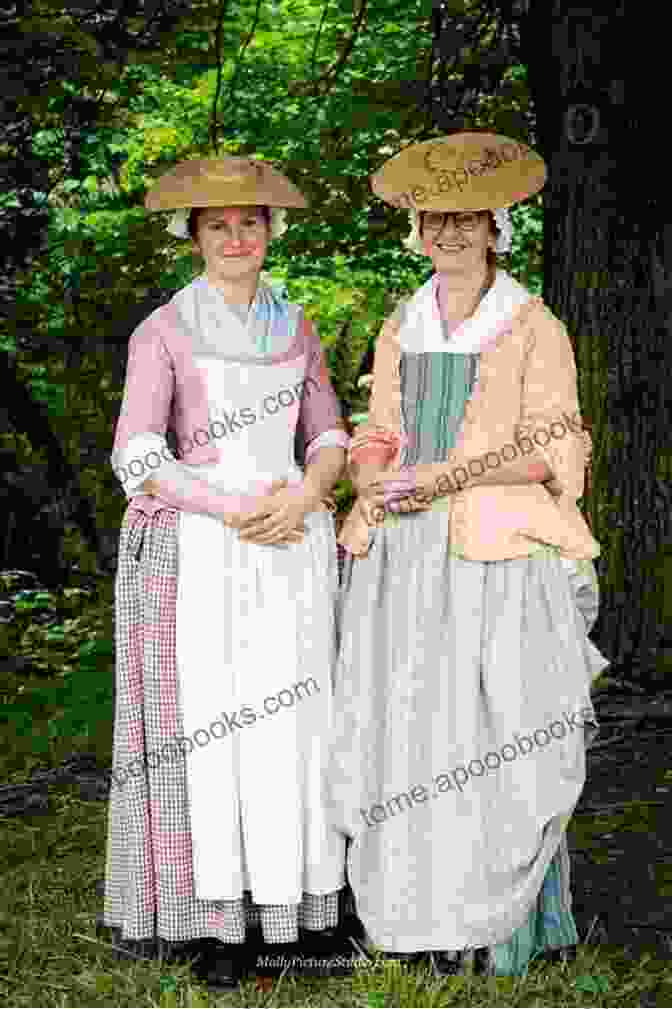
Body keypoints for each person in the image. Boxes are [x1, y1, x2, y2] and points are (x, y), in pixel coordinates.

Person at [327, 133, 610, 976]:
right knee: (409, 732)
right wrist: (375, 477)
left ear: (495, 227)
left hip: (494, 551)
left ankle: (502, 925)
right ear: (418, 230)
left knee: (491, 730)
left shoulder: (531, 324)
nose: (449, 232)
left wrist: (445, 476)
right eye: (434, 218)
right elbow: (378, 428)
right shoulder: (401, 322)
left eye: (466, 219)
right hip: (403, 552)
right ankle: (414, 924)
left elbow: (556, 448)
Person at [103, 157, 350, 987]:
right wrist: (221, 504)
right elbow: (136, 451)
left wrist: (311, 495)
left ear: (270, 232)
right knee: (222, 728)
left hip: (294, 543)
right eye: (219, 225)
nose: (237, 237)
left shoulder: (298, 322)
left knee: (296, 727)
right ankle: (221, 924)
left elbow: (326, 432)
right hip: (213, 549)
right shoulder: (165, 328)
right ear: (196, 237)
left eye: (250, 222)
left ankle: (297, 915)